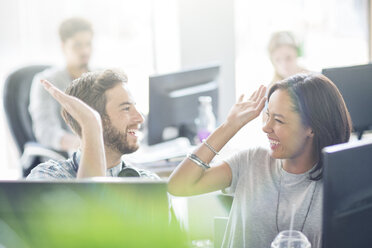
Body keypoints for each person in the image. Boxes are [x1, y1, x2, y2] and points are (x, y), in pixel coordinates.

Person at [168, 73, 352, 248]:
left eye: (279, 120)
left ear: (311, 127)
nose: (266, 127)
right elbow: (178, 186)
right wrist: (229, 126)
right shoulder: (252, 161)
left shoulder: (338, 184)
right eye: (268, 115)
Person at [27, 69, 158, 179]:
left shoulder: (149, 181)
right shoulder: (47, 178)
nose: (140, 119)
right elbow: (90, 207)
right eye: (126, 108)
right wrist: (91, 125)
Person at [29, 17, 94, 153]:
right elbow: (45, 131)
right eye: (78, 45)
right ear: (63, 46)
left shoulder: (100, 78)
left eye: (88, 44)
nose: (85, 51)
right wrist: (82, 144)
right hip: (67, 157)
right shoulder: (45, 82)